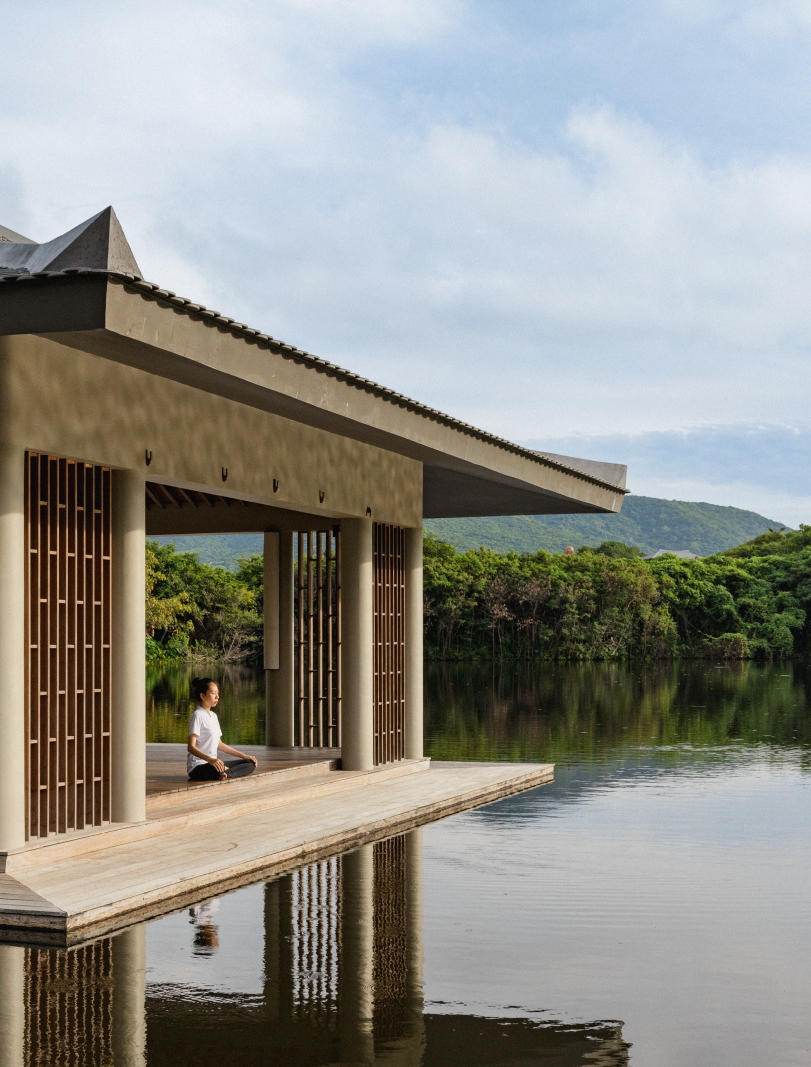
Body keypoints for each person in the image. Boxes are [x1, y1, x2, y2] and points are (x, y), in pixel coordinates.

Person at [187, 677, 257, 782]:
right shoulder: (197, 715)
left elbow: (220, 744)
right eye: (213, 693)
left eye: (217, 693)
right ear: (202, 696)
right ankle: (224, 773)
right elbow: (191, 747)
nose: (217, 696)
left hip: (214, 764)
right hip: (199, 767)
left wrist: (244, 756)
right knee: (216, 768)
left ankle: (224, 773)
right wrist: (210, 759)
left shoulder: (213, 716)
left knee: (250, 763)